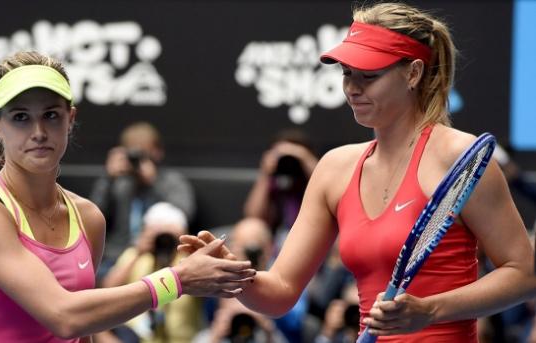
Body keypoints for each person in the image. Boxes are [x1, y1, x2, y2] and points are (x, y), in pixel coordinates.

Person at [179, 2, 536, 342]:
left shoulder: (457, 156)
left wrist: (430, 310)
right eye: (347, 73)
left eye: (369, 76)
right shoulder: (335, 168)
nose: (352, 88)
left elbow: (524, 274)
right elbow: (280, 293)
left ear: (413, 72)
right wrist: (234, 276)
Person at [0, 51, 255, 343]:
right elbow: (64, 316)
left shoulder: (88, 218)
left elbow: (82, 329)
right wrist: (177, 280)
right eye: (20, 117)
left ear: (70, 119)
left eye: (51, 115)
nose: (38, 132)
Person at [90, 121, 196, 282]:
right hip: (117, 253)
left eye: (144, 155)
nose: (138, 162)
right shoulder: (117, 183)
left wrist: (153, 182)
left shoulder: (172, 181)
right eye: (133, 156)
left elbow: (182, 215)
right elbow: (91, 220)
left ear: (158, 152)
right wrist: (108, 179)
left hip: (158, 253)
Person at [98, 202, 205, 343]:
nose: (164, 240)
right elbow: (107, 289)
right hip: (134, 338)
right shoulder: (135, 255)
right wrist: (138, 252)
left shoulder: (188, 260)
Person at [243, 129, 318, 252]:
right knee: (250, 227)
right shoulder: (271, 181)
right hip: (275, 240)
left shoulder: (316, 178)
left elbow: (326, 181)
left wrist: (302, 156)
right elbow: (253, 215)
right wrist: (265, 173)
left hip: (315, 237)